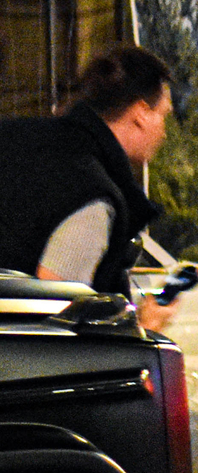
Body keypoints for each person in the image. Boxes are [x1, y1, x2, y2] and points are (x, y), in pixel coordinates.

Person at [0, 46, 178, 332]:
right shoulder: (93, 198)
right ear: (142, 113)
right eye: (163, 116)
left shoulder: (21, 138)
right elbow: (58, 327)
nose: (164, 132)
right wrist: (147, 328)